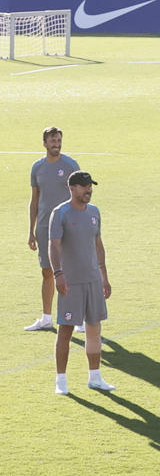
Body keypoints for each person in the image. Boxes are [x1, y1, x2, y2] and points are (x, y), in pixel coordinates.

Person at [47, 170, 113, 395]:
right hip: (71, 283)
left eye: (90, 186)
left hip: (93, 281)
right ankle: (61, 380)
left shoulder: (94, 212)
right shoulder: (61, 213)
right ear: (72, 188)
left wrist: (104, 276)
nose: (89, 190)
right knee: (65, 331)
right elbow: (54, 245)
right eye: (84, 186)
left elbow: (98, 243)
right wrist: (58, 274)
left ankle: (95, 377)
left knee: (94, 329)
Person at [25, 125, 78, 332]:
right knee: (47, 272)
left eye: (58, 140)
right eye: (53, 141)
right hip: (45, 228)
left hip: (67, 227)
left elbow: (81, 196)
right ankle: (47, 318)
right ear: (45, 143)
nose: (56, 144)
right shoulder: (37, 167)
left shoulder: (70, 165)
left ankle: (77, 318)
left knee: (72, 271)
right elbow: (34, 200)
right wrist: (31, 230)